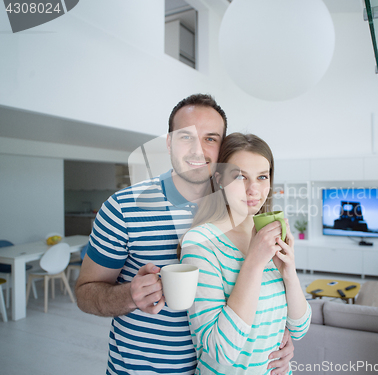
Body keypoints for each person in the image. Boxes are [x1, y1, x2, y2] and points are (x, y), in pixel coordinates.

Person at [75, 94, 295, 375]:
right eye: (185, 137)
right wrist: (129, 295)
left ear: (222, 150)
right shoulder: (124, 208)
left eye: (210, 139)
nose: (198, 150)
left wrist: (277, 337)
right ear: (169, 142)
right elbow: (85, 293)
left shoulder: (241, 211)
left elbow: (261, 290)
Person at [180, 133, 311, 374]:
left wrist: (289, 273)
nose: (254, 189)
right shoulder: (200, 243)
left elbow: (300, 328)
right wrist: (253, 263)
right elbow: (221, 351)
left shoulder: (268, 235)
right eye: (240, 176)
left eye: (262, 177)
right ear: (219, 179)